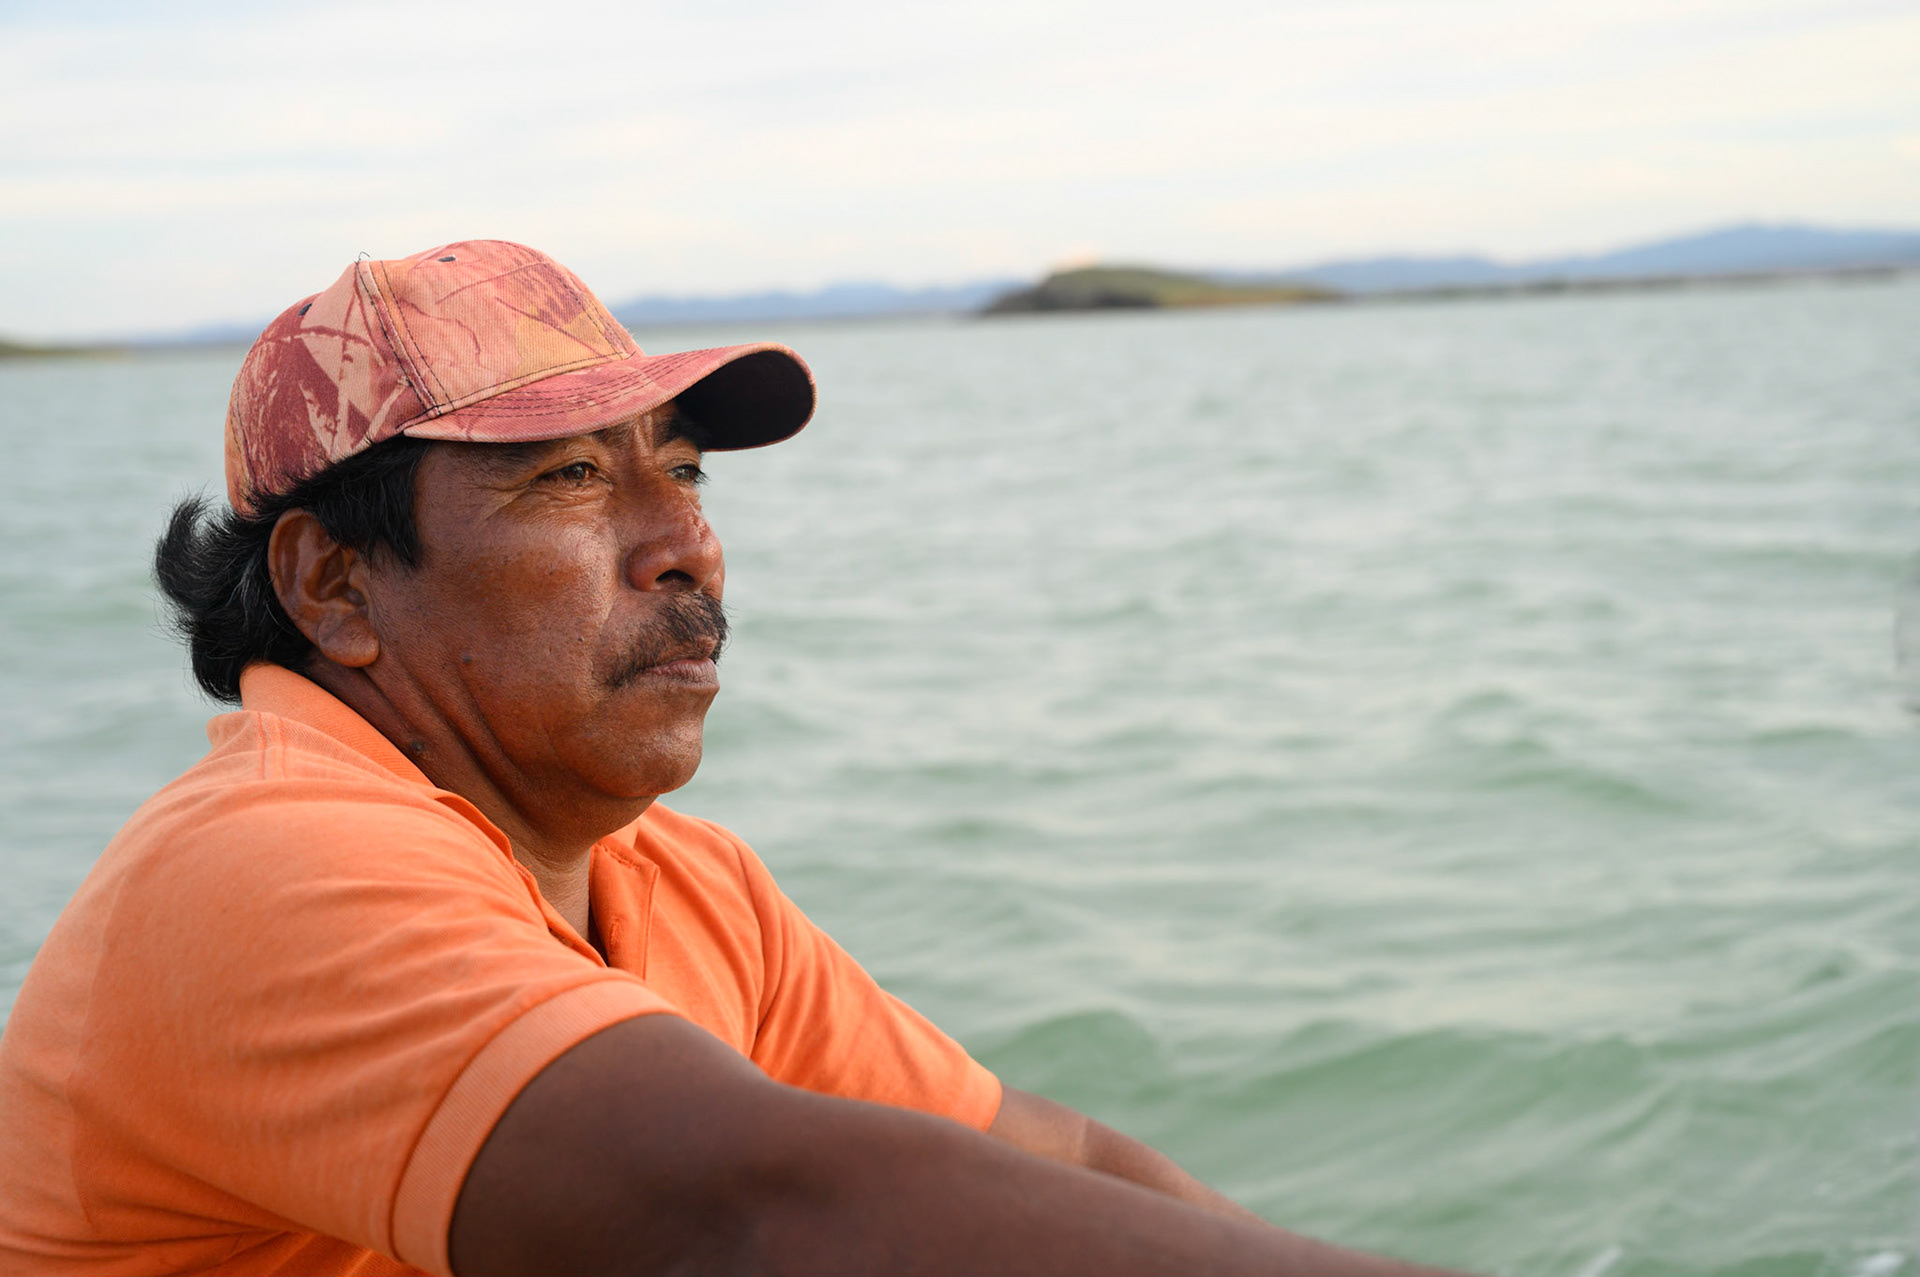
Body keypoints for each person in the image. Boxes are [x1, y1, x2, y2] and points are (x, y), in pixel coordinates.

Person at [0, 240, 1451, 1276]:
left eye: (681, 468)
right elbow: (744, 1220)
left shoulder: (681, 885)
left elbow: (1046, 1161)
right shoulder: (265, 862)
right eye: (571, 475)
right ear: (333, 586)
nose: (685, 540)